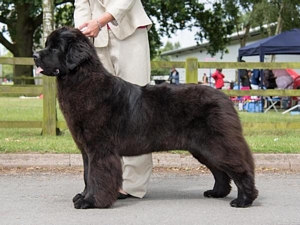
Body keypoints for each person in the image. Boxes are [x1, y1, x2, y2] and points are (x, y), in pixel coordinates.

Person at [74, 0, 153, 199]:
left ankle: (134, 184)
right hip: (96, 39)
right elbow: (82, 4)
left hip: (129, 31)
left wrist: (100, 21)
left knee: (136, 107)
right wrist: (79, 35)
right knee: (102, 116)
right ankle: (107, 182)